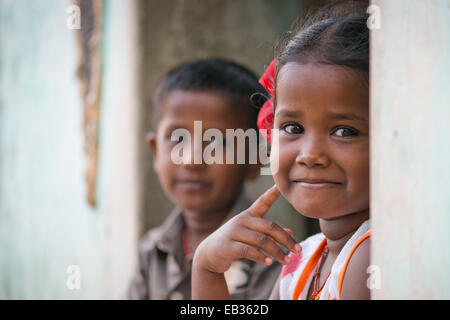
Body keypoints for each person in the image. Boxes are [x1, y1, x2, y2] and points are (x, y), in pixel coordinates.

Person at [192, 0, 371, 300]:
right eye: (293, 128)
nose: (310, 154)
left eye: (344, 131)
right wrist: (206, 268)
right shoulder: (305, 258)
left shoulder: (369, 257)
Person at [128, 58, 282, 299]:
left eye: (218, 142)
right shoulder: (153, 251)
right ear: (155, 151)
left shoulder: (270, 255)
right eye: (178, 139)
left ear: (255, 160)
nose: (192, 160)